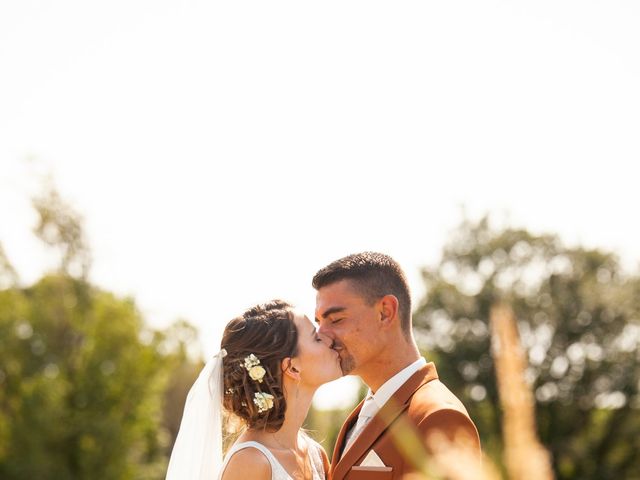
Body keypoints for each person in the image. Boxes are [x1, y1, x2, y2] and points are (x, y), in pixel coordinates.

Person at [313, 252, 481, 480]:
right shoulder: (359, 416)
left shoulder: (439, 416)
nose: (321, 336)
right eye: (319, 323)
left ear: (386, 312)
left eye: (336, 320)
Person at [166, 300, 342, 480]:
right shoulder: (250, 462)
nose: (329, 340)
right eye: (316, 338)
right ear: (292, 368)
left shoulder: (315, 455)